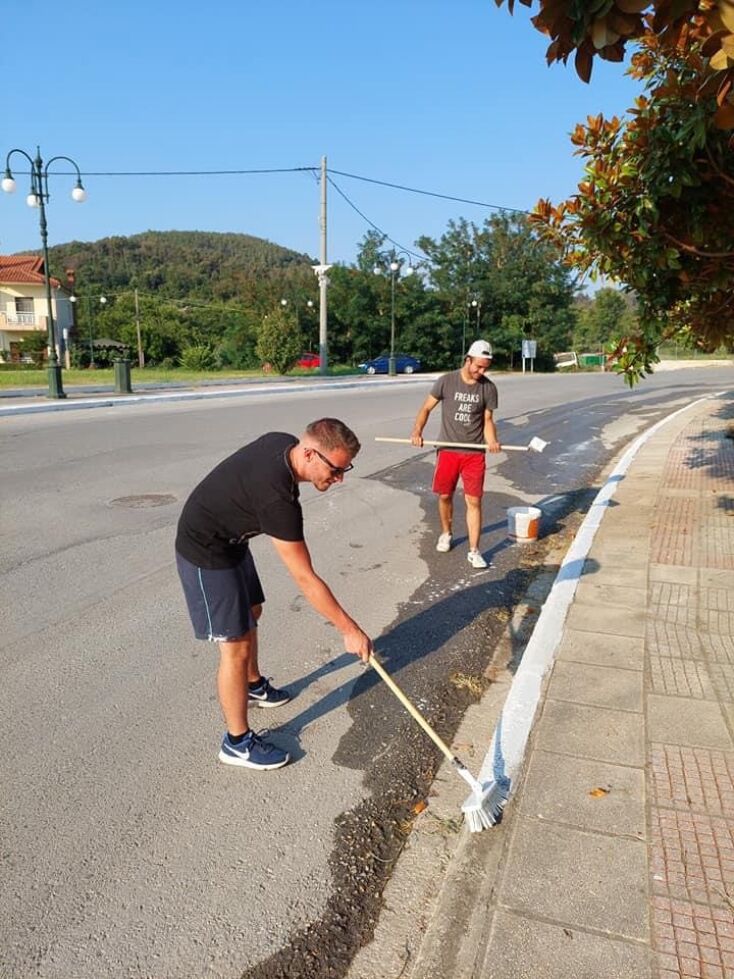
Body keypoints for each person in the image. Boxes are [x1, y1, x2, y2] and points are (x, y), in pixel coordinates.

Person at [175, 418, 373, 772]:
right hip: (205, 548)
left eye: (346, 469)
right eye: (337, 470)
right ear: (310, 453)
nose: (340, 478)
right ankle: (236, 743)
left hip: (232, 539)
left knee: (253, 609)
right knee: (235, 646)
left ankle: (253, 686)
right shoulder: (277, 499)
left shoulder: (284, 443)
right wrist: (349, 628)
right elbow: (305, 578)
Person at [410, 339, 501, 569]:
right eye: (478, 366)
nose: (481, 372)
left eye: (485, 368)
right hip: (448, 450)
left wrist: (492, 441)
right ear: (467, 360)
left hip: (474, 453)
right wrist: (417, 431)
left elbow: (488, 420)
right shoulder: (446, 381)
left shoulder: (488, 388)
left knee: (474, 501)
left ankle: (474, 550)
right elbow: (426, 408)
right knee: (444, 496)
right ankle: (446, 532)